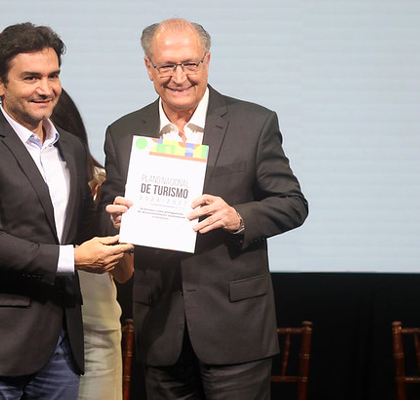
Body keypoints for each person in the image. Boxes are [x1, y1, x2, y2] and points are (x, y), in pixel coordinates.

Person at [100, 18, 309, 399]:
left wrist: (238, 216)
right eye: (166, 66)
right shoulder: (123, 131)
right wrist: (114, 217)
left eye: (190, 64)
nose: (179, 77)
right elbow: (108, 207)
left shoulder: (254, 123)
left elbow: (292, 204)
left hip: (236, 330)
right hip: (160, 327)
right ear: (148, 67)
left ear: (207, 62)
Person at [0, 22, 133, 400]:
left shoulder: (72, 148)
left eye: (53, 75)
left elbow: (82, 231)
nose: (46, 89)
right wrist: (74, 258)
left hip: (63, 344)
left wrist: (121, 218)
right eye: (31, 77)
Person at [51, 89, 133, 400]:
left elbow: (125, 273)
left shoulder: (104, 182)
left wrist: (118, 230)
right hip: (33, 331)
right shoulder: (17, 180)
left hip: (93, 332)